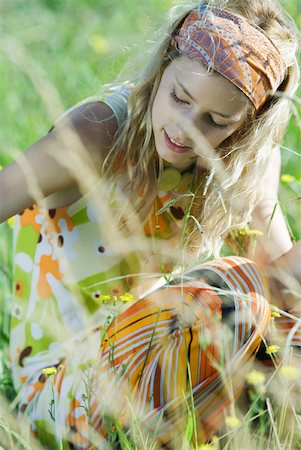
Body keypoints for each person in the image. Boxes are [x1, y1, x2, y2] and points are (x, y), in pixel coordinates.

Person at [0, 0, 300, 448]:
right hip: (59, 391)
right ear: (162, 68)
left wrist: (254, 188)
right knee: (235, 290)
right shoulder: (99, 133)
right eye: (180, 97)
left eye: (215, 122)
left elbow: (288, 295)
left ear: (245, 128)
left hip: (160, 368)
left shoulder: (241, 163)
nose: (183, 129)